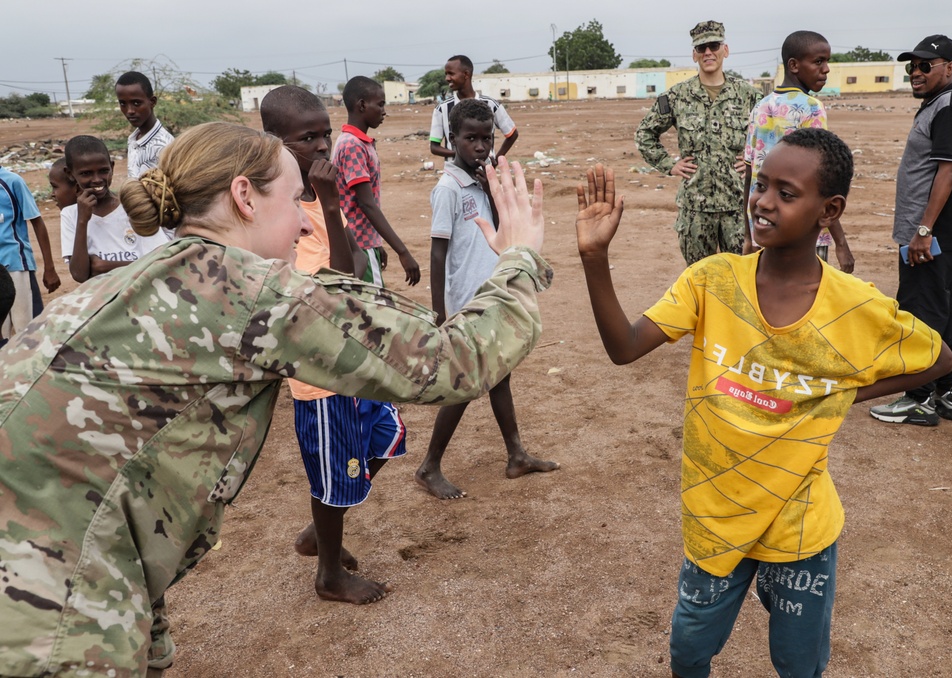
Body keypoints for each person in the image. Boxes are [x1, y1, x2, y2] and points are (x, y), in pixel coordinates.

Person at [0, 121, 551, 676]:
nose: (301, 221)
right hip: (43, 598)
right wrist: (520, 256)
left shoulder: (132, 281)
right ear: (245, 197)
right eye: (295, 200)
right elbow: (454, 362)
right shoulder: (250, 293)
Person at [574, 129, 952, 677]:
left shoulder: (854, 306)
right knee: (690, 651)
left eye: (786, 192)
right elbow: (624, 347)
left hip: (799, 526)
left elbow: (938, 358)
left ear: (830, 210)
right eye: (760, 184)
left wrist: (842, 391)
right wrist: (593, 258)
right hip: (715, 515)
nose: (764, 201)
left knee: (798, 663)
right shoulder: (713, 281)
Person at [260, 85, 408, 604]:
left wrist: (328, 203)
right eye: (308, 138)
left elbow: (348, 273)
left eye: (325, 134)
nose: (322, 146)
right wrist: (325, 200)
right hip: (317, 377)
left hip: (352, 359)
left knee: (387, 436)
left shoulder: (320, 201)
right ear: (276, 143)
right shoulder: (275, 212)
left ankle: (317, 531)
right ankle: (329, 574)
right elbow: (327, 287)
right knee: (334, 470)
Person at [415, 99, 559, 499]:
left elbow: (500, 230)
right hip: (465, 303)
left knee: (499, 375)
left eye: (486, 138)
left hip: (492, 293)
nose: (480, 146)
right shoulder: (447, 189)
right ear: (453, 139)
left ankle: (516, 455)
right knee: (465, 383)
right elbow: (438, 251)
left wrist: (490, 188)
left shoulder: (482, 182)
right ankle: (429, 466)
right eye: (470, 139)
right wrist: (439, 311)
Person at [869, 35, 952, 427]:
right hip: (946, 233)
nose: (916, 73)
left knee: (922, 312)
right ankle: (946, 391)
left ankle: (919, 399)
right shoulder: (944, 103)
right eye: (911, 66)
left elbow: (949, 170)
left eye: (925, 66)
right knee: (944, 311)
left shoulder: (948, 106)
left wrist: (923, 230)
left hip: (933, 236)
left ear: (949, 66)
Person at [634, 20, 761, 266]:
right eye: (701, 48)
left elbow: (771, 138)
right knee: (698, 280)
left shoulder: (749, 96)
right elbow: (644, 133)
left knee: (743, 277)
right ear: (694, 55)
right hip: (695, 209)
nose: (708, 53)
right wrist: (669, 164)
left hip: (737, 207)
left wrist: (755, 163)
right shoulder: (677, 96)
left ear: (725, 50)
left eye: (714, 46)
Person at [743, 30, 854, 273]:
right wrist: (841, 242)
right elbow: (823, 179)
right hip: (803, 230)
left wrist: (748, 235)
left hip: (764, 226)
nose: (825, 69)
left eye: (826, 62)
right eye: (818, 62)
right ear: (793, 65)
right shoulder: (812, 108)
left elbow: (750, 176)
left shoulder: (760, 106)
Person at [334, 75, 421, 286]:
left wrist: (376, 242)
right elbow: (366, 203)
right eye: (380, 104)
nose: (384, 111)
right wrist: (403, 252)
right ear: (362, 105)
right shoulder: (352, 145)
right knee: (372, 311)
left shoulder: (357, 142)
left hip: (363, 243)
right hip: (358, 247)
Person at [60, 135, 170, 282]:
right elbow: (79, 275)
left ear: (112, 167)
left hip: (138, 295)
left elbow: (160, 261)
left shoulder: (132, 206)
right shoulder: (70, 215)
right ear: (70, 174)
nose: (97, 179)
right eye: (86, 173)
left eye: (104, 171)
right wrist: (82, 220)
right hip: (101, 301)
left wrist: (105, 266)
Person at [0, 162, 60, 345]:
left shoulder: (12, 182)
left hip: (15, 263)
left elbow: (37, 221)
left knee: (25, 330)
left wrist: (49, 267)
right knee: (3, 335)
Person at [429, 55, 519, 161]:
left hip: (484, 172)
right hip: (454, 173)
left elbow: (512, 134)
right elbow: (434, 147)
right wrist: (460, 154)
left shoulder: (491, 104)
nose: (447, 78)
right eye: (446, 74)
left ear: (466, 74)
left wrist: (496, 159)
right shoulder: (442, 109)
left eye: (451, 74)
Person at [116, 70, 175, 179]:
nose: (129, 111)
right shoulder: (133, 138)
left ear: (152, 102)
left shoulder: (165, 146)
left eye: (136, 103)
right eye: (123, 103)